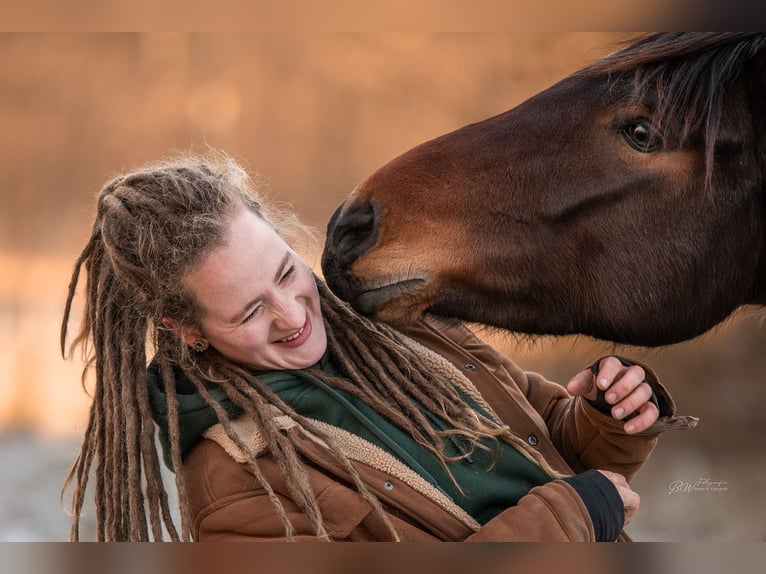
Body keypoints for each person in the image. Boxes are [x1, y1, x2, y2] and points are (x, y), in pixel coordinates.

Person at [61, 152, 696, 542]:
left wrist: (605, 418)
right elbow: (570, 504)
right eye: (252, 311)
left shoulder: (395, 325)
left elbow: (538, 438)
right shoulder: (233, 482)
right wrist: (572, 520)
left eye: (286, 272)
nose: (292, 316)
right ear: (187, 331)